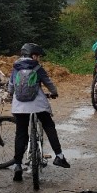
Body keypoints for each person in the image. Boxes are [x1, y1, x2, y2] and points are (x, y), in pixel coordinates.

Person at [9, 42, 69, 182]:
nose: (39, 58)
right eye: (38, 56)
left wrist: (12, 94)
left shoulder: (16, 67)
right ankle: (59, 156)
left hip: (19, 106)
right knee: (49, 125)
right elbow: (48, 82)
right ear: (33, 55)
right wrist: (54, 93)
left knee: (21, 133)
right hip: (38, 104)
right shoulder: (37, 67)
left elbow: (11, 86)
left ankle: (17, 165)